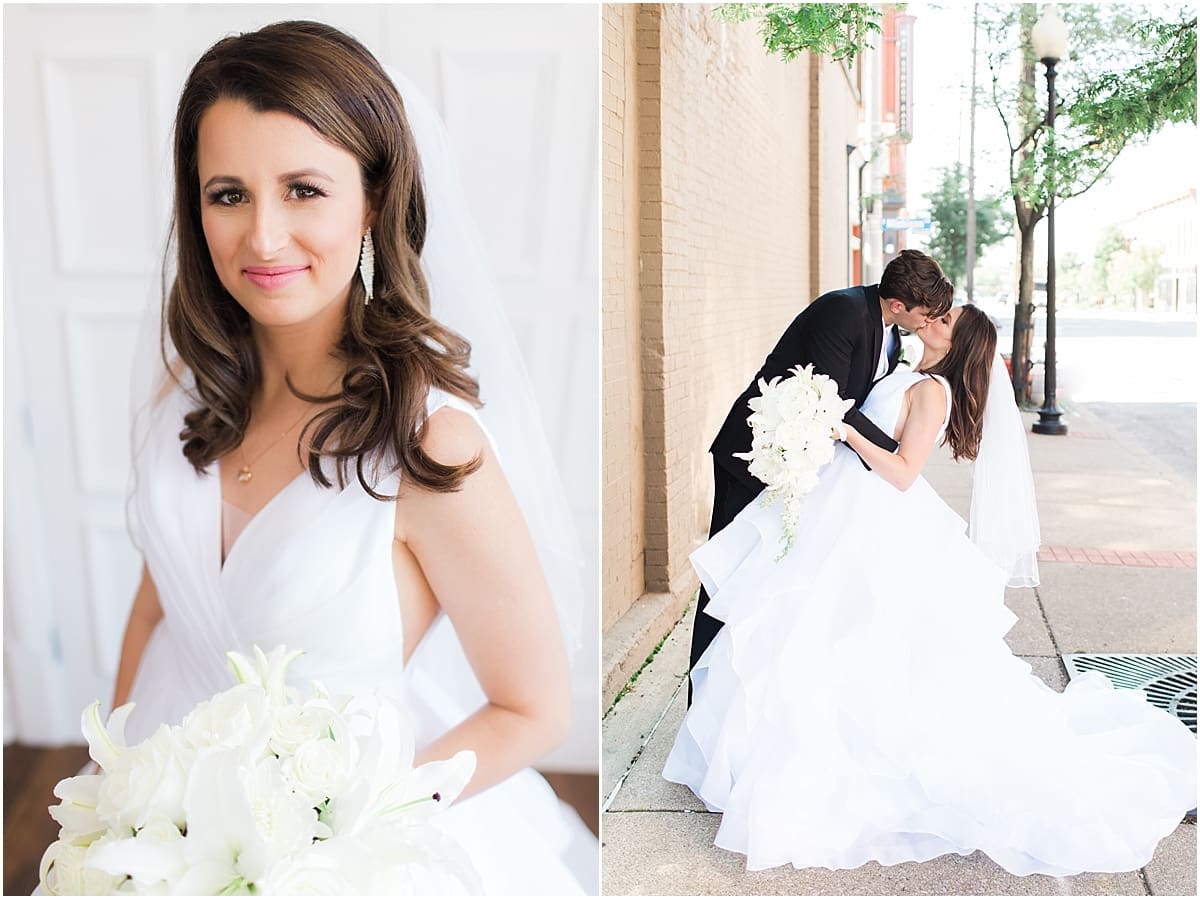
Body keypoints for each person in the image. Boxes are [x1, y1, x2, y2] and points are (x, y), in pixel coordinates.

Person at [110, 21, 591, 894]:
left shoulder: (428, 448)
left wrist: (338, 838)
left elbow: (534, 707)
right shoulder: (190, 392)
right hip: (155, 827)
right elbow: (160, 606)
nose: (261, 237)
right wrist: (119, 780)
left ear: (372, 199)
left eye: (302, 189)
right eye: (228, 193)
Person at [664, 304, 1196, 876]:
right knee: (807, 631)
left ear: (956, 341)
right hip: (840, 509)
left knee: (849, 638)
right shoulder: (904, 369)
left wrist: (841, 428)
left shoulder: (934, 392)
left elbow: (902, 471)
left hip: (874, 517)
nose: (937, 317)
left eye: (948, 319)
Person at [691, 250, 955, 677]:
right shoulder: (844, 311)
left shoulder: (891, 332)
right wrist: (895, 452)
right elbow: (834, 403)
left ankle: (744, 679)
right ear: (898, 305)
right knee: (728, 579)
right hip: (755, 459)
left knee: (765, 584)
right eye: (925, 315)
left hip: (800, 466)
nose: (927, 324)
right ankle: (703, 688)